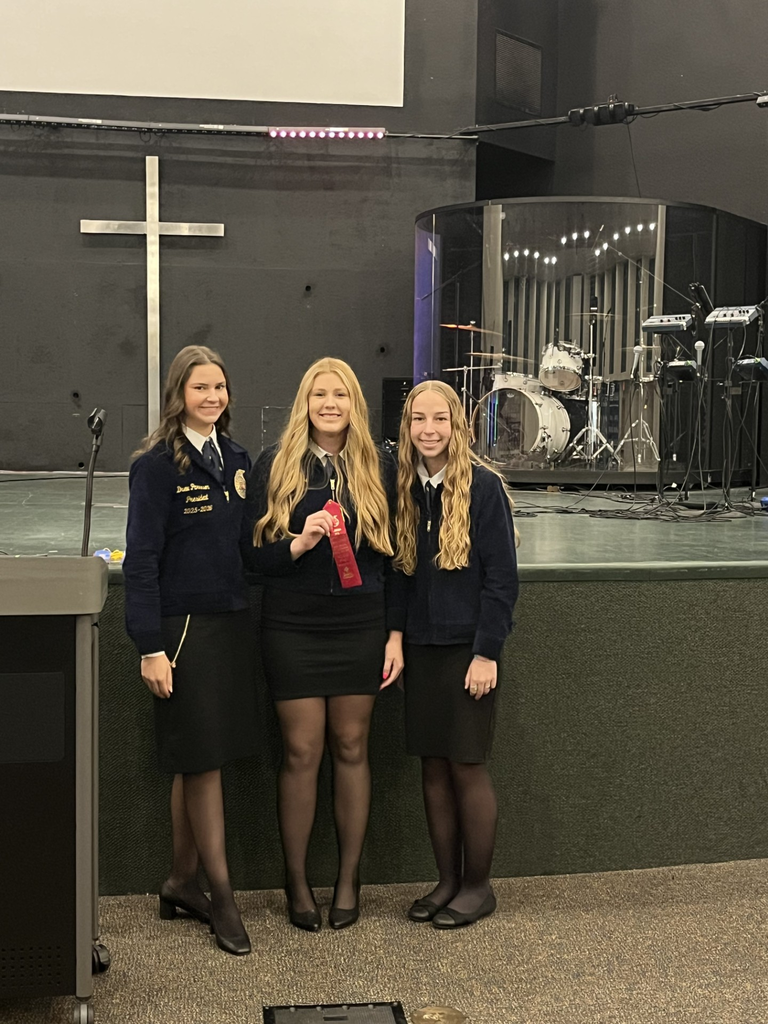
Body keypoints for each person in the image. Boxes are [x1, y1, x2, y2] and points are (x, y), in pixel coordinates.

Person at [245, 357, 402, 931]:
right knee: (302, 753)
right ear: (304, 403)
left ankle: (348, 879)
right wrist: (297, 545)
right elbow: (252, 556)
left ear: (353, 403)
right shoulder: (275, 464)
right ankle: (297, 882)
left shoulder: (379, 465)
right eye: (319, 395)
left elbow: (399, 561)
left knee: (353, 747)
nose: (329, 404)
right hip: (293, 627)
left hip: (361, 625)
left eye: (339, 394)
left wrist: (395, 634)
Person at [123, 344, 256, 956]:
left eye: (220, 387)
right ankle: (221, 897)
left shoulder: (235, 457)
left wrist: (303, 543)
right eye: (200, 388)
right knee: (201, 762)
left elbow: (250, 549)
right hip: (181, 634)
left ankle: (180, 881)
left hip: (228, 626)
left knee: (200, 759)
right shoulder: (155, 464)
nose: (212, 398)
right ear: (179, 394)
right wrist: (149, 645)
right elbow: (142, 560)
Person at [383, 380, 519, 929]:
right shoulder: (404, 488)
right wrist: (395, 636)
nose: (429, 430)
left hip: (468, 652)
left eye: (440, 419)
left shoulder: (484, 489)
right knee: (433, 769)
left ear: (456, 424)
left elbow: (502, 583)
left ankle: (478, 886)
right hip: (421, 647)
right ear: (408, 426)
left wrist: (486, 653)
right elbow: (397, 574)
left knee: (466, 766)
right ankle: (446, 880)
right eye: (420, 420)